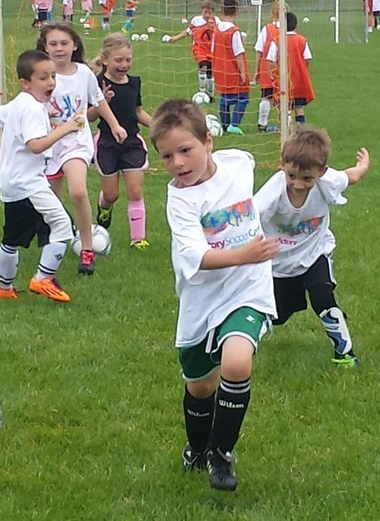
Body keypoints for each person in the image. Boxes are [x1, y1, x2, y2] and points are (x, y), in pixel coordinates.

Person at [150, 98, 278, 492]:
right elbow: (196, 257)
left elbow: (277, 168)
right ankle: (198, 446)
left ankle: (222, 453)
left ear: (208, 143)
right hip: (201, 299)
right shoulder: (181, 200)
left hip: (248, 289)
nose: (177, 163)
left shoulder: (239, 162)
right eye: (167, 156)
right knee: (200, 385)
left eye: (185, 150)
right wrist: (246, 253)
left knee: (237, 363)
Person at [253, 127, 370, 367]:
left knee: (323, 297)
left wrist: (363, 164)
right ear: (282, 165)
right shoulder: (271, 194)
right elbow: (247, 219)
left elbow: (353, 176)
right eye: (292, 176)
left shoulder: (328, 182)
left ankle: (345, 354)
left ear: (321, 172)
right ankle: (244, 341)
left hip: (316, 252)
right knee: (278, 315)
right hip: (280, 263)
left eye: (307, 178)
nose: (298, 184)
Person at [0, 49, 84, 303]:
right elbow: (36, 145)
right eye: (43, 78)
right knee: (63, 226)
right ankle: (43, 279)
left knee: (13, 237)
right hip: (28, 183)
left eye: (52, 76)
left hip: (13, 181)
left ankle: (2, 287)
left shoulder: (21, 102)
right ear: (25, 82)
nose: (51, 82)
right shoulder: (32, 109)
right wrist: (65, 128)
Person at [37, 22, 126, 275]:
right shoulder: (41, 74)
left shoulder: (83, 73)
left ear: (74, 45)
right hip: (48, 143)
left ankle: (87, 248)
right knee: (51, 201)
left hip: (76, 142)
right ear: (45, 47)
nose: (59, 48)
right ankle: (56, 237)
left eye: (64, 43)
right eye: (53, 43)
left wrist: (115, 125)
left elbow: (98, 100)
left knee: (77, 191)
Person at [89, 33, 153, 249]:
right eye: (119, 60)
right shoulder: (97, 83)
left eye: (128, 60)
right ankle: (104, 208)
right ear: (105, 59)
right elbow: (87, 117)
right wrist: (101, 103)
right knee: (111, 194)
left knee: (135, 190)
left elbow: (138, 112)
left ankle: (138, 239)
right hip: (107, 144)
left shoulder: (134, 83)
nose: (124, 64)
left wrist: (157, 125)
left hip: (132, 144)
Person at [265, 12, 315, 124]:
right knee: (299, 107)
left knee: (283, 106)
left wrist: (271, 74)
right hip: (299, 80)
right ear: (296, 25)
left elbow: (271, 59)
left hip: (282, 79)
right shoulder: (302, 40)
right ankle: (300, 128)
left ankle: (285, 128)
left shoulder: (277, 40)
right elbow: (307, 58)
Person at [211, 0, 249, 135]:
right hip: (232, 70)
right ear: (236, 12)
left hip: (219, 69)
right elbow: (238, 53)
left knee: (225, 97)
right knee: (243, 97)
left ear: (222, 11)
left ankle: (225, 125)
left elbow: (213, 50)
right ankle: (234, 124)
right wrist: (243, 73)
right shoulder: (234, 32)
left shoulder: (216, 30)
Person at [167, 0, 215, 95]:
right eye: (205, 12)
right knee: (203, 67)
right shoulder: (196, 20)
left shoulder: (216, 22)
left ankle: (210, 94)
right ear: (201, 11)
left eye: (209, 13)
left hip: (211, 51)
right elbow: (187, 32)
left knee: (210, 73)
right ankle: (201, 92)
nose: (207, 15)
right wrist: (176, 37)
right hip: (199, 49)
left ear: (213, 13)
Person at [252, 2, 281, 133]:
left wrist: (257, 70)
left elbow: (259, 50)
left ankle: (262, 124)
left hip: (267, 68)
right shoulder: (288, 29)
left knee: (266, 97)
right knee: (283, 97)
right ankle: (284, 125)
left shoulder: (266, 29)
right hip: (283, 70)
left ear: (272, 14)